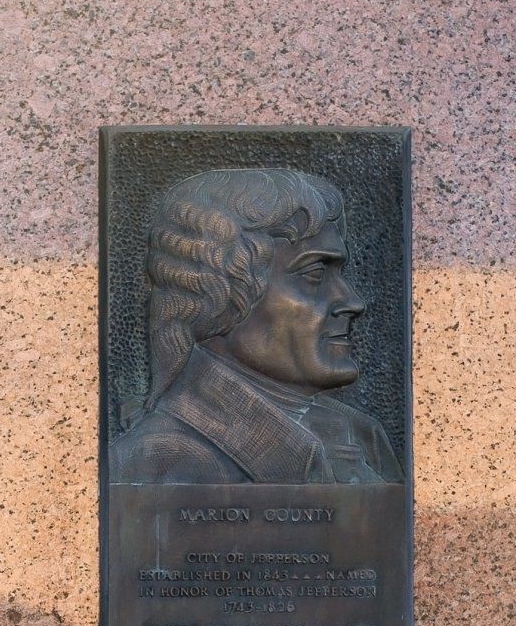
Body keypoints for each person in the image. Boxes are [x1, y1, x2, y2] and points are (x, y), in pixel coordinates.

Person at [110, 165, 402, 486]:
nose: (353, 302)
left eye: (339, 274)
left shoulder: (364, 438)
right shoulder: (151, 466)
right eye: (314, 275)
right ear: (219, 296)